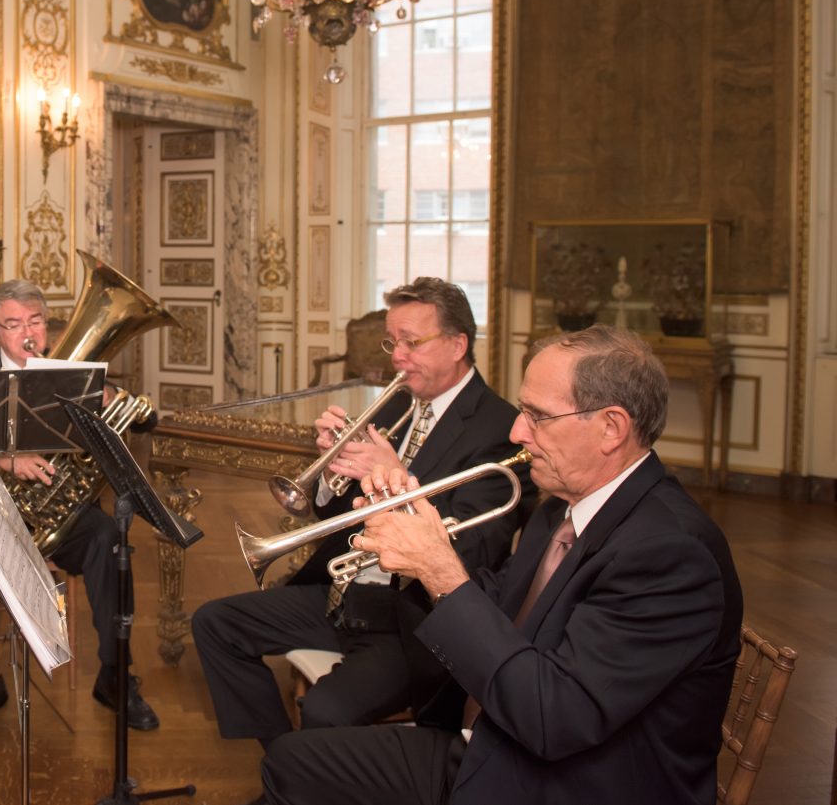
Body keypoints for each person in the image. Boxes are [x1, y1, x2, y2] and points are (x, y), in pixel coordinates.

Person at [261, 325, 743, 805]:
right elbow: (500, 601)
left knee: (295, 772)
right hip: (500, 739)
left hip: (566, 781)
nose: (516, 431)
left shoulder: (670, 552)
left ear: (611, 429)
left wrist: (441, 570)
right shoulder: (562, 505)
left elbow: (555, 719)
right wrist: (417, 554)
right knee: (289, 761)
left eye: (537, 416)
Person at [192, 278, 533, 764]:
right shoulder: (399, 402)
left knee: (326, 712)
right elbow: (339, 517)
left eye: (412, 342)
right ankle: (284, 764)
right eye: (393, 342)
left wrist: (394, 475)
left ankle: (298, 774)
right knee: (215, 624)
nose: (397, 355)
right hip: (346, 592)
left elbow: (471, 554)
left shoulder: (499, 430)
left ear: (458, 345)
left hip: (407, 621)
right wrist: (332, 475)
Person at [0, 278, 161, 733]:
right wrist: (5, 459)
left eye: (35, 321)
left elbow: (146, 425)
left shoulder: (72, 374)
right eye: (14, 324)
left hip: (50, 510)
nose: (27, 333)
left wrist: (108, 402)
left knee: (110, 541)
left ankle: (114, 676)